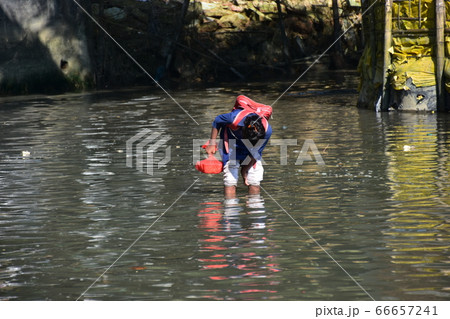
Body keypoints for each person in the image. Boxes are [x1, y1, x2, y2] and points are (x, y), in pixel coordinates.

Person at [205, 107, 272, 198]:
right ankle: (230, 206)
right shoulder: (233, 118)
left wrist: (244, 170)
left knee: (254, 178)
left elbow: (254, 155)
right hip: (231, 142)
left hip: (252, 148)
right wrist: (212, 143)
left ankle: (255, 206)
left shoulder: (267, 131)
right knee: (230, 178)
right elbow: (217, 120)